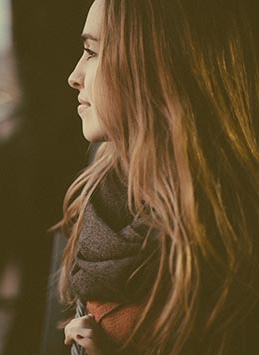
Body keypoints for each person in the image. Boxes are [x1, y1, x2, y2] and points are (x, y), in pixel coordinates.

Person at [49, 0, 259, 353]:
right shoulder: (99, 196)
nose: (74, 76)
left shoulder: (232, 238)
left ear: (156, 64)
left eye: (92, 52)